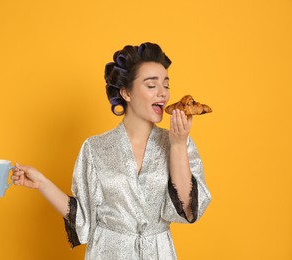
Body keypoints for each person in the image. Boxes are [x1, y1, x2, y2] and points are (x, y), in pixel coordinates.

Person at [12, 42, 212, 260]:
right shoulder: (95, 148)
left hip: (159, 253)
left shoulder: (177, 142)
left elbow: (189, 211)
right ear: (126, 92)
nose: (163, 94)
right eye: (152, 86)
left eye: (166, 85)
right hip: (108, 252)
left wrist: (178, 145)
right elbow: (84, 219)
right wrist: (41, 182)